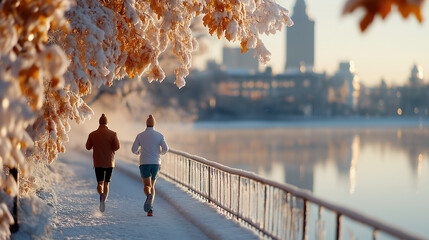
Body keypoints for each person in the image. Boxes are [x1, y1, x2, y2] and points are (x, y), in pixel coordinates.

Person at [132, 114, 168, 216]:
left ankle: (148, 197)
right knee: (152, 185)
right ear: (154, 124)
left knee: (146, 185)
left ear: (146, 124)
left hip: (144, 163)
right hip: (156, 163)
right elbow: (166, 149)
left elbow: (133, 150)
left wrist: (138, 153)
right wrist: (160, 153)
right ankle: (150, 209)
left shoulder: (140, 135)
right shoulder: (160, 135)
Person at [86, 113, 120, 212]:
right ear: (107, 123)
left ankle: (101, 194)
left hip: (98, 162)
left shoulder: (92, 134)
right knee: (106, 184)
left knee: (99, 183)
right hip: (110, 162)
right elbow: (117, 147)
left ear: (99, 123)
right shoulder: (113, 134)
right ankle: (104, 200)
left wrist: (95, 145)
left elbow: (88, 147)